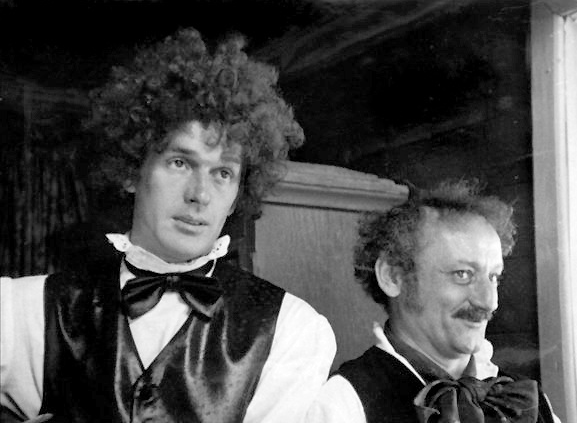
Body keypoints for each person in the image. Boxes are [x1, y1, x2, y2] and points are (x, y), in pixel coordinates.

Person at [1, 28, 336, 423]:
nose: (200, 194)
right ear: (131, 171)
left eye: (223, 173)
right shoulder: (24, 313)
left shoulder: (289, 330)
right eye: (180, 163)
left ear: (236, 196)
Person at [306, 179, 560, 423]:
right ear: (393, 277)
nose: (489, 302)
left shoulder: (529, 401)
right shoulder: (343, 404)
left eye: (494, 277)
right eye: (462, 274)